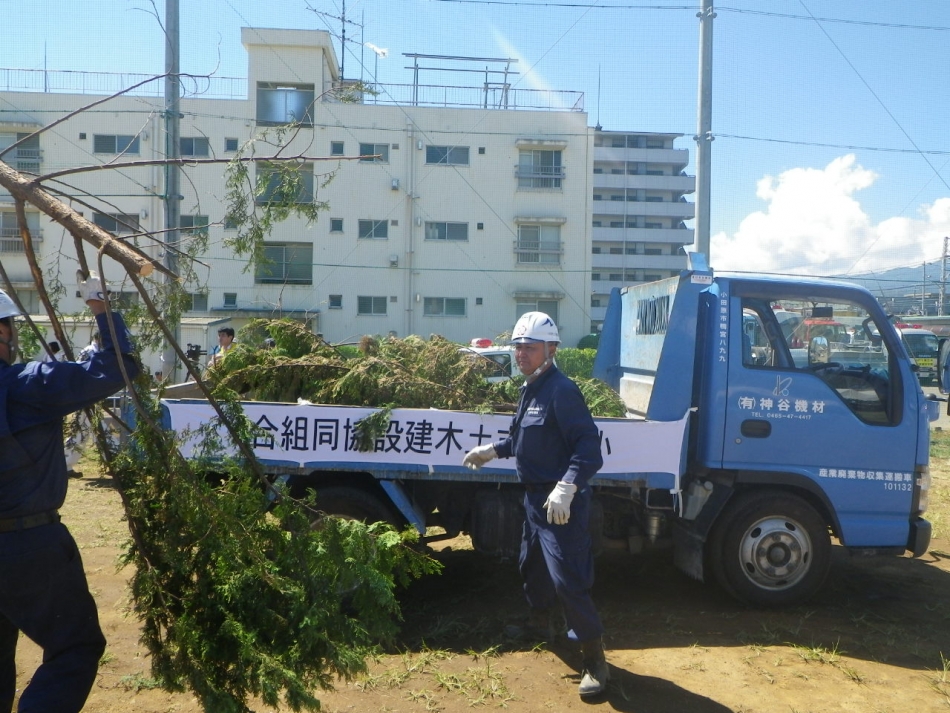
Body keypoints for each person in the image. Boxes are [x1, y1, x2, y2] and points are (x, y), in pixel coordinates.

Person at [0, 273, 139, 712]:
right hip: (28, 546)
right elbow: (117, 368)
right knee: (75, 646)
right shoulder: (24, 384)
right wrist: (100, 307)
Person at [462, 312, 608, 697]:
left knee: (568, 579)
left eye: (529, 347)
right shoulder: (530, 388)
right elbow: (523, 440)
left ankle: (594, 659)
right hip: (533, 499)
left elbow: (589, 449)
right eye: (518, 347)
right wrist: (493, 450)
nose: (521, 354)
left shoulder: (562, 390)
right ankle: (541, 624)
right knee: (532, 566)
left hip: (560, 503)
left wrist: (567, 487)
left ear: (551, 349)